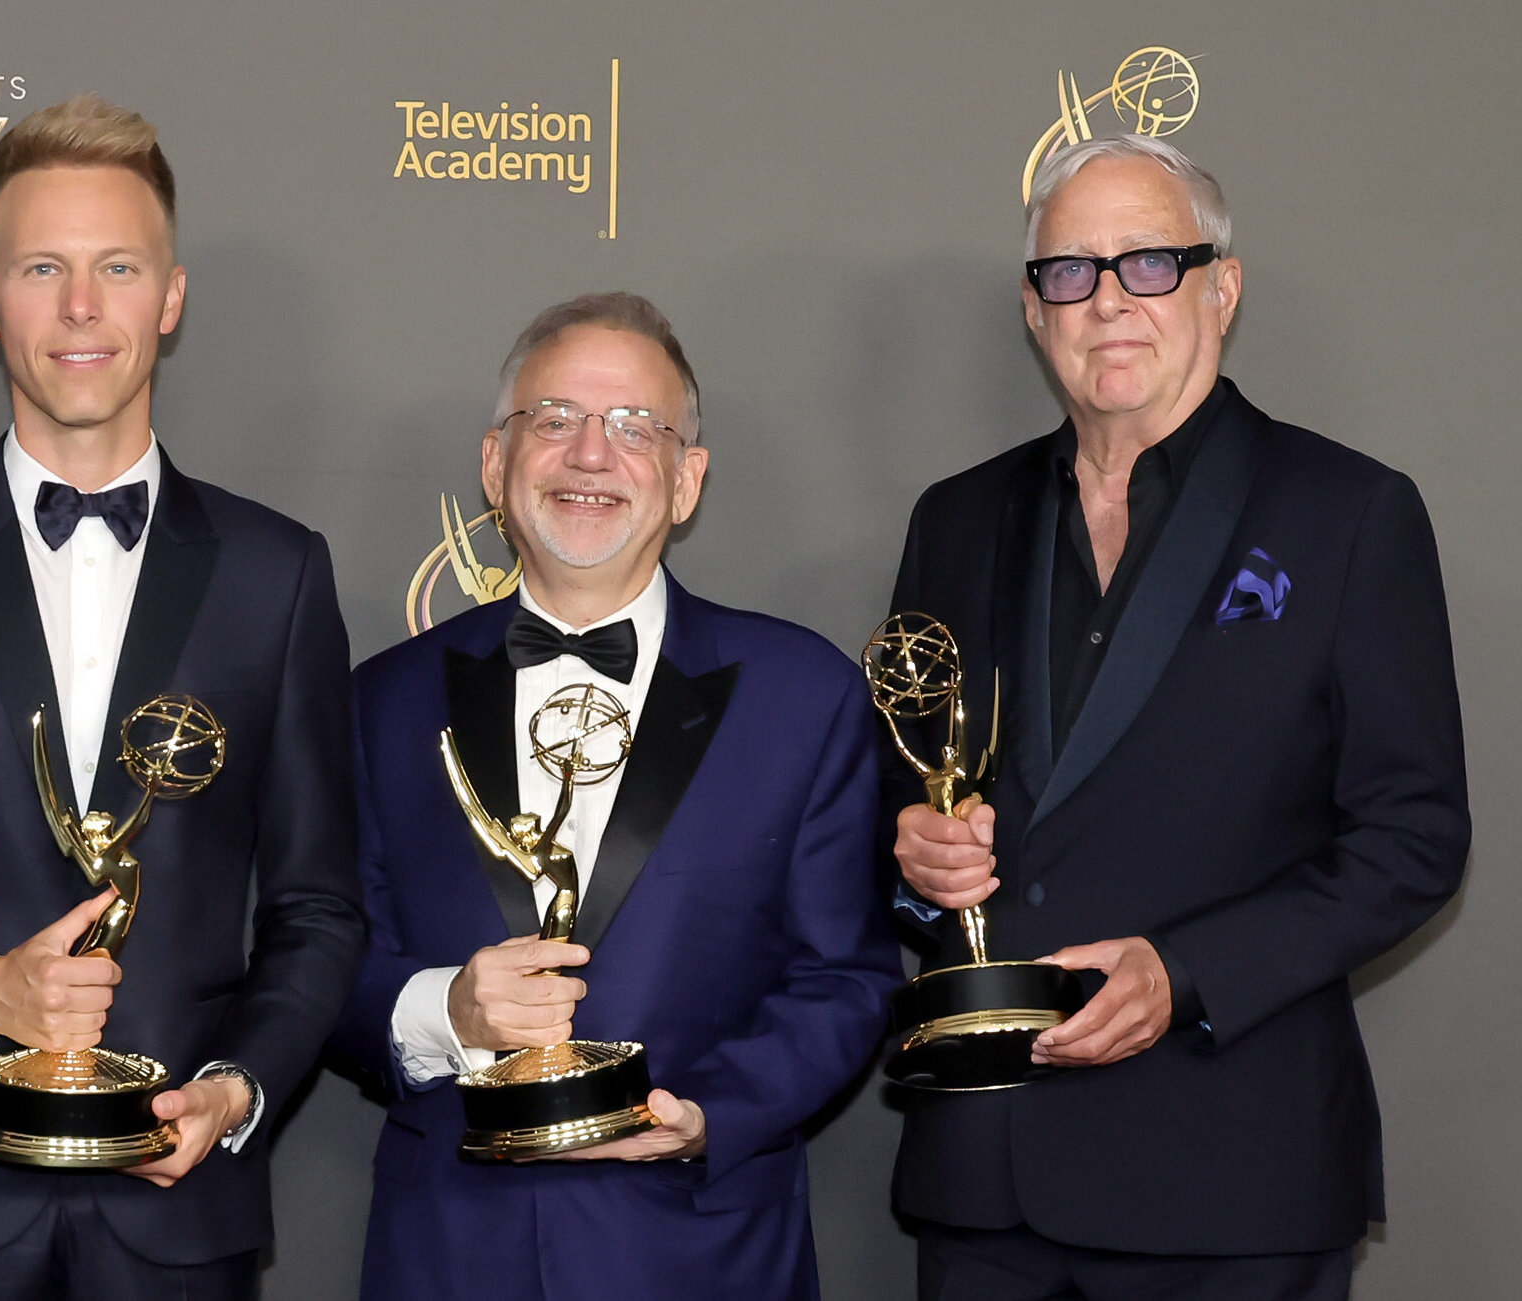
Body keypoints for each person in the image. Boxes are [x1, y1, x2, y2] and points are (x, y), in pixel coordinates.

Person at [885, 135, 1469, 1300]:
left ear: (1224, 286)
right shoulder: (956, 517)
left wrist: (1186, 971)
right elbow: (886, 799)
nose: (1107, 301)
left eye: (1150, 262)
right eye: (1070, 271)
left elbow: (1414, 837)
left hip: (1233, 1178)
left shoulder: (1350, 512)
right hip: (984, 1179)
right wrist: (909, 857)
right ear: (1034, 308)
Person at [0, 94, 365, 1300]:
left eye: (116, 267)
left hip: (181, 1202)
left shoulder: (279, 573)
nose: (78, 307)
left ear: (169, 299)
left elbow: (319, 903)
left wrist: (239, 1085)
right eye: (41, 267)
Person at [330, 292, 902, 1299]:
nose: (591, 454)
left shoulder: (802, 695)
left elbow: (846, 979)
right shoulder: (378, 703)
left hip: (702, 1255)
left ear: (687, 481)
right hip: (450, 1257)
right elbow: (323, 964)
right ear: (495, 464)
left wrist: (706, 1114)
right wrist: (447, 1008)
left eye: (635, 427)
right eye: (553, 419)